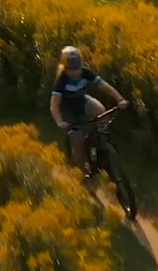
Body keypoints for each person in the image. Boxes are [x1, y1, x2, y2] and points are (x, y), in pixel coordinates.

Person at [50, 45, 128, 181]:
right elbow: (54, 105)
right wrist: (60, 122)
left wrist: (119, 99)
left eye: (78, 69)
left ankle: (101, 146)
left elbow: (104, 86)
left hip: (82, 101)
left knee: (100, 111)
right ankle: (85, 172)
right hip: (68, 110)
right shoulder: (61, 81)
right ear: (65, 68)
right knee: (77, 140)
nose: (76, 73)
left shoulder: (86, 73)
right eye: (72, 70)